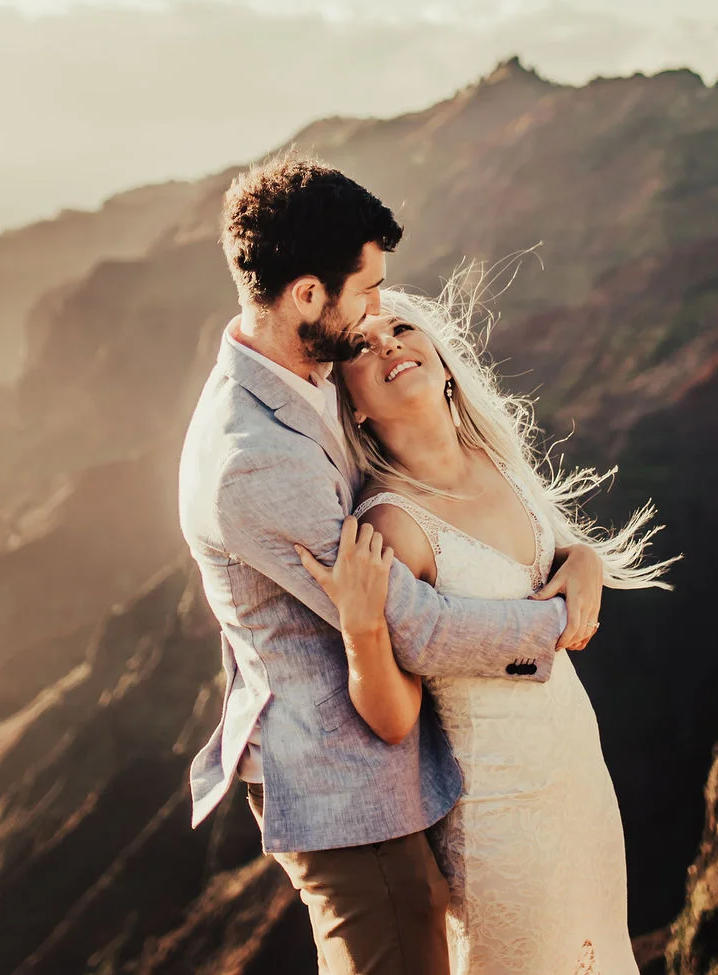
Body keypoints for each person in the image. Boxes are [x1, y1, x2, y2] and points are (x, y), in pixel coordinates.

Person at [179, 154, 606, 975]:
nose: (381, 312)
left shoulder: (295, 373)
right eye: (366, 291)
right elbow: (414, 624)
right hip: (349, 788)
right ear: (307, 294)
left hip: (419, 768)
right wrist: (560, 619)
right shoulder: (256, 458)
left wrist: (578, 560)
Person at [297, 277, 674, 975]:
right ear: (354, 406)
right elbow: (391, 719)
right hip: (500, 812)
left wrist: (584, 558)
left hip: (577, 782)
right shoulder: (391, 525)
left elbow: (546, 559)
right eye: (363, 344)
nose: (389, 344)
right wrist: (361, 627)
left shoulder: (495, 462)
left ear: (443, 363)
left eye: (403, 331)